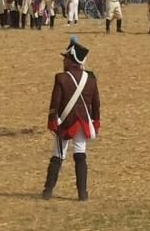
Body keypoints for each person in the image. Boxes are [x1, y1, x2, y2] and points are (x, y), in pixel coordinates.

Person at [42, 37, 100, 201]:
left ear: (71, 59)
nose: (63, 61)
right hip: (83, 123)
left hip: (65, 124)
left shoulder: (61, 78)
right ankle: (82, 194)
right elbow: (96, 104)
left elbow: (55, 102)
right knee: (80, 154)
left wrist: (53, 121)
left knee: (57, 155)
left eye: (65, 58)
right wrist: (96, 122)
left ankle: (48, 191)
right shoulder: (90, 78)